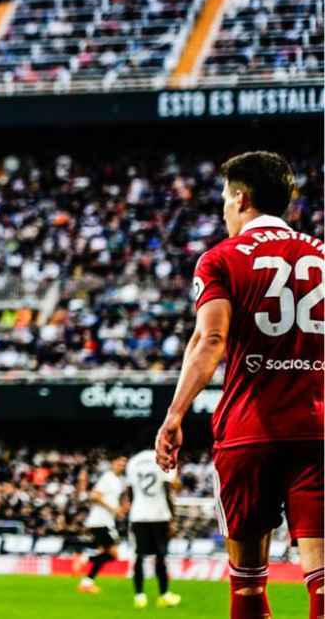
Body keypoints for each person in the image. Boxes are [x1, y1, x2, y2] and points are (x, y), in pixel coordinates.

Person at [156, 151, 324, 619]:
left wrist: (174, 415)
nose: (224, 211)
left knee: (248, 585)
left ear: (242, 199)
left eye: (225, 201)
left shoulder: (221, 259)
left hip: (249, 433)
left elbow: (210, 339)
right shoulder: (321, 255)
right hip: (318, 431)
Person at [125, 448, 181, 609]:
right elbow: (167, 489)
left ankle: (139, 596)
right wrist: (172, 518)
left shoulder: (133, 462)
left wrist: (135, 508)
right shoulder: (163, 459)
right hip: (159, 515)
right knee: (161, 556)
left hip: (138, 515)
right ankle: (163, 595)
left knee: (139, 556)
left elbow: (130, 491)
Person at [78, 455, 127, 594]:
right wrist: (113, 509)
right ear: (112, 463)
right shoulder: (107, 477)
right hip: (101, 521)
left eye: (124, 464)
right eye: (119, 463)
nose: (121, 466)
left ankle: (86, 583)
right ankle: (85, 559)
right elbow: (95, 495)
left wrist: (119, 509)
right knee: (114, 553)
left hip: (105, 521)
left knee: (108, 553)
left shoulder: (118, 480)